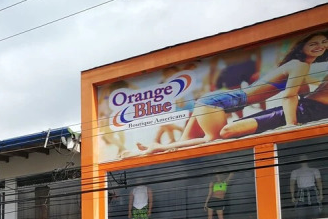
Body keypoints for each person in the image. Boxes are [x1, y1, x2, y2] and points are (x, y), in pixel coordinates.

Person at [131, 32, 328, 155]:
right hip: (220, 102)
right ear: (302, 46)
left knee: (184, 145)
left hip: (217, 100)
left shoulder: (297, 67)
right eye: (313, 43)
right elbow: (289, 96)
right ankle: (158, 147)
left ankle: (144, 152)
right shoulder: (299, 65)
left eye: (324, 42)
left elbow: (300, 93)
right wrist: (291, 126)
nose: (319, 46)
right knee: (213, 139)